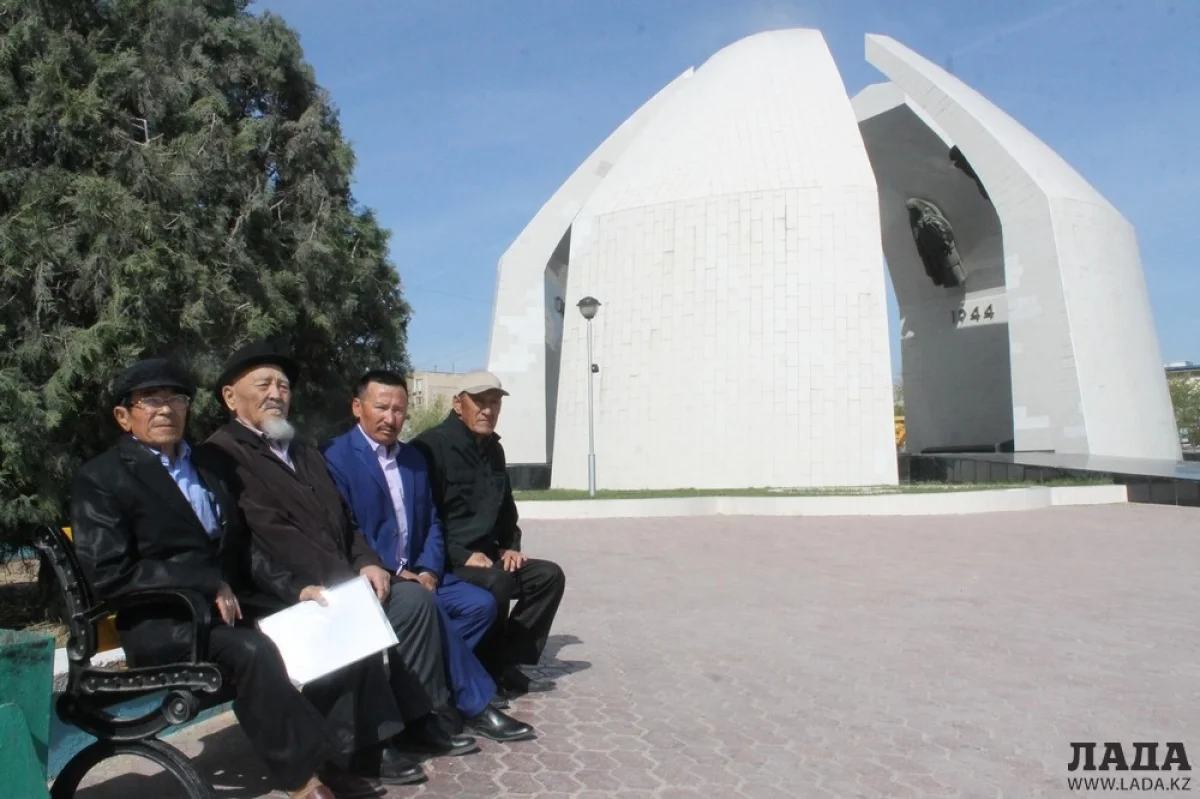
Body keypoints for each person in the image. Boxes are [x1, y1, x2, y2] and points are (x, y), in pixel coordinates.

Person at [70, 357, 406, 799]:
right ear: (123, 415)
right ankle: (305, 776)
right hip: (166, 621)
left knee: (330, 618)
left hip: (228, 609)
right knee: (252, 650)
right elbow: (109, 573)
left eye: (175, 398)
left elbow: (242, 547)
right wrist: (205, 582)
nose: (165, 409)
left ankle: (336, 755)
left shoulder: (206, 466)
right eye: (150, 400)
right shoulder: (102, 478)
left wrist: (295, 589)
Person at [198, 342, 499, 781]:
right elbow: (265, 535)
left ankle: (417, 718)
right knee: (351, 613)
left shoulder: (300, 449)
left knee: (414, 601)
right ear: (230, 397)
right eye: (263, 385)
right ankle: (364, 746)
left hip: (339, 575)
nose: (276, 394)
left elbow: (343, 518)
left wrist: (365, 561)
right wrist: (334, 577)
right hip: (280, 588)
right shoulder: (222, 455)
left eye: (283, 386)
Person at [322, 369, 533, 741]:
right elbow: (343, 528)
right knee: (426, 605)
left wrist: (429, 571)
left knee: (480, 606)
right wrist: (393, 572)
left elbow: (433, 522)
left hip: (421, 574)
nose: (391, 418)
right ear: (357, 407)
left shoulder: (413, 459)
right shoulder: (334, 457)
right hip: (375, 578)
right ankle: (474, 704)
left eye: (399, 410)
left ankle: (421, 687)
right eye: (381, 408)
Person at [411, 371, 566, 697]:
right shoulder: (430, 448)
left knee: (548, 577)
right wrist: (462, 555)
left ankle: (504, 665)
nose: (487, 410)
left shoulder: (495, 451)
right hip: (447, 562)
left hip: (488, 557)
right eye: (479, 402)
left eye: (494, 403)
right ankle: (482, 673)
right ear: (458, 404)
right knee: (497, 583)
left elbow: (506, 509)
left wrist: (510, 546)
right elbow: (423, 519)